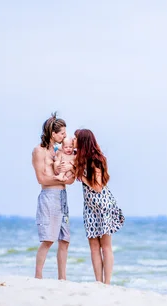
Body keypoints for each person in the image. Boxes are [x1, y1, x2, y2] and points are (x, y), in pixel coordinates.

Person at [74, 128, 124, 284]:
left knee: (105, 246)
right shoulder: (79, 159)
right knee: (93, 246)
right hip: (90, 207)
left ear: (83, 141)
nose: (73, 141)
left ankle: (107, 283)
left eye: (76, 139)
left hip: (103, 205)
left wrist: (82, 176)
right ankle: (98, 282)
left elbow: (98, 187)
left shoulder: (97, 159)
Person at [31, 113, 75, 280]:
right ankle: (38, 276)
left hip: (62, 197)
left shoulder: (59, 151)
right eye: (62, 133)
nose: (65, 136)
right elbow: (41, 179)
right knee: (48, 240)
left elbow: (69, 181)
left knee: (64, 240)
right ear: (53, 133)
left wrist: (71, 173)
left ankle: (62, 278)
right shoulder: (38, 151)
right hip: (49, 197)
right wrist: (56, 178)